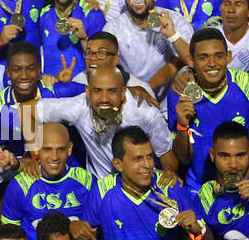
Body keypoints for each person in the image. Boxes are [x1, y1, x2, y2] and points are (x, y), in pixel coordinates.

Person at [170, 27, 249, 191]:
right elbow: (183, 159)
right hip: (201, 187)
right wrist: (181, 125)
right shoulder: (179, 93)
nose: (212, 63)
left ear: (228, 57)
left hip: (247, 182)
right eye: (203, 57)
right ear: (191, 61)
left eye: (218, 56)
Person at [35, 65, 174, 179]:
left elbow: (166, 154)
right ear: (88, 92)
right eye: (97, 91)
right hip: (101, 190)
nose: (104, 99)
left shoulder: (145, 112)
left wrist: (169, 172)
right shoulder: (80, 107)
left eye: (112, 91)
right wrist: (34, 157)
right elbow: (26, 110)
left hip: (141, 186)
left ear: (123, 92)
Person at [0, 122, 95, 240]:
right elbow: (9, 236)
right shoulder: (20, 185)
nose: (54, 157)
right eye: (47, 149)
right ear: (37, 149)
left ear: (69, 149)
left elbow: (98, 230)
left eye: (60, 150)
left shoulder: (86, 181)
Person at [0, 42, 83, 158]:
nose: (24, 76)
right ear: (8, 72)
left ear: (39, 70)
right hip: (20, 169)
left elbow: (97, 93)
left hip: (64, 168)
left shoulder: (58, 91)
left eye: (30, 69)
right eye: (17, 69)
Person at [103, 0, 192, 95]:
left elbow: (193, 61)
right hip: (130, 101)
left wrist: (173, 36)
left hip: (171, 105)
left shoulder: (176, 21)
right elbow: (104, 69)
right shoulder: (113, 28)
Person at [35, 0, 101, 75]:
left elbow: (104, 61)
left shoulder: (93, 13)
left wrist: (84, 39)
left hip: (84, 87)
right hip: (52, 87)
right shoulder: (41, 16)